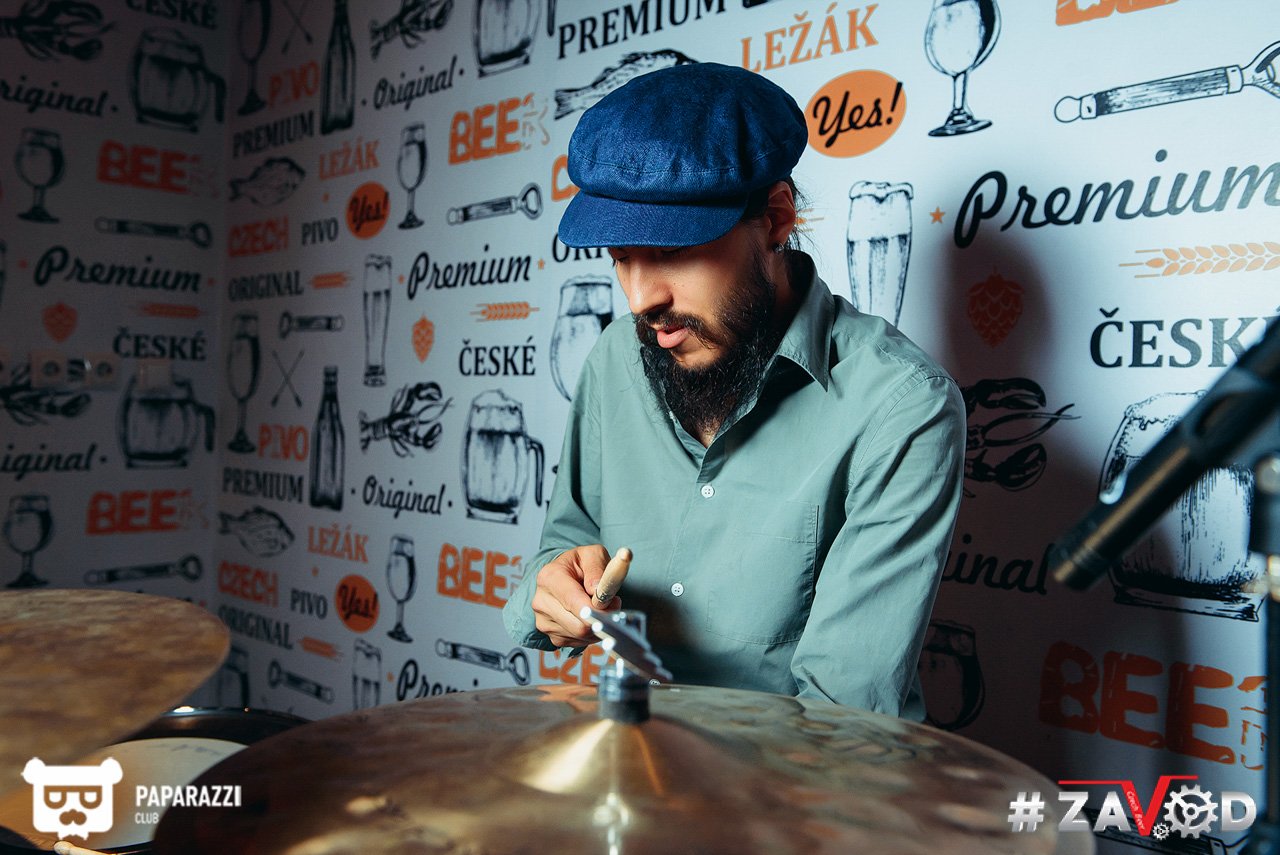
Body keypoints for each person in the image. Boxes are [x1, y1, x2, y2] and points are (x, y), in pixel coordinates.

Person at [502, 62, 965, 720]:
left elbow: (841, 721)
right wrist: (552, 587)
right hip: (628, 758)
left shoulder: (902, 405)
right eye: (621, 257)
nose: (640, 299)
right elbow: (564, 542)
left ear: (775, 218)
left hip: (798, 781)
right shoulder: (614, 357)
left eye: (671, 251)